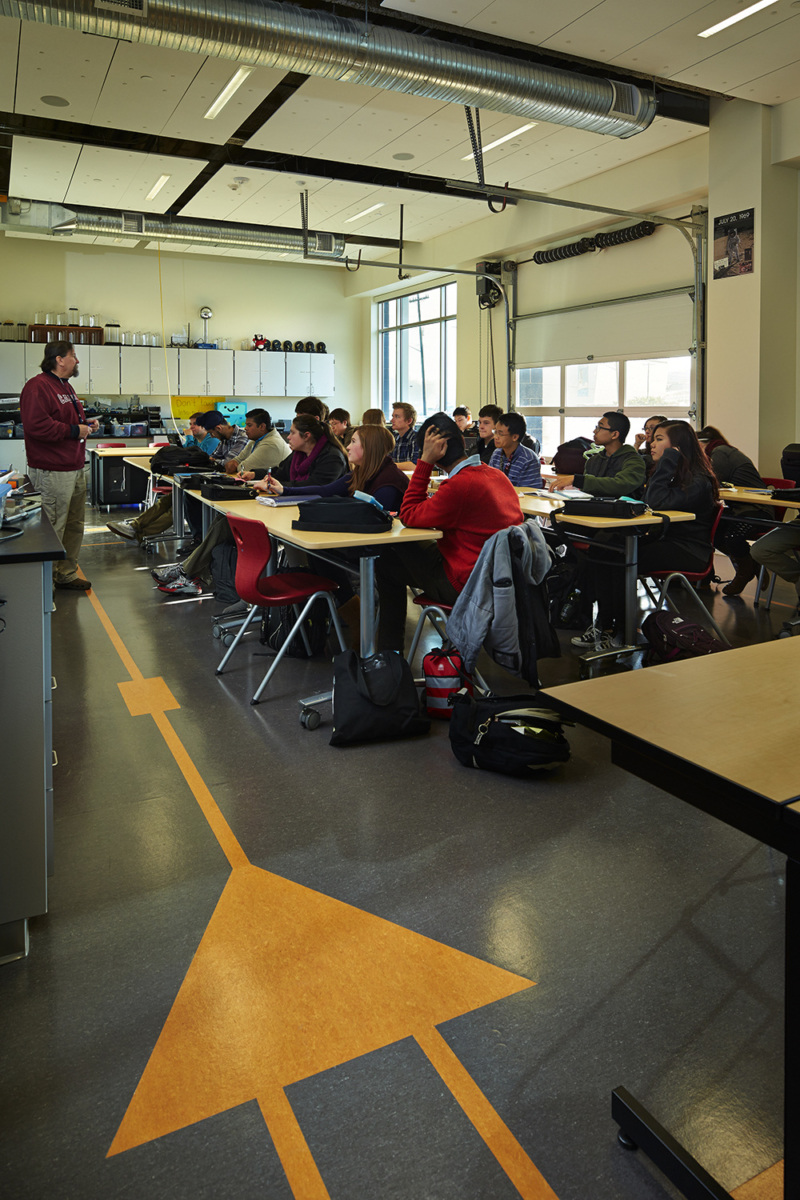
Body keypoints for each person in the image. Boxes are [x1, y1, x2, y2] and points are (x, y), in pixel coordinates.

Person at [374, 413, 524, 652]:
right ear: (463, 442)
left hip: (465, 584)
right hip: (500, 580)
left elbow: (409, 514)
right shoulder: (496, 476)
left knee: (386, 562)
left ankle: (388, 653)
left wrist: (424, 462)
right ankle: (388, 653)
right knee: (403, 549)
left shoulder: (460, 485)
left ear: (437, 451)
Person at [153, 416, 348, 594]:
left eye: (293, 433)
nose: (288, 437)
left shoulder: (331, 457)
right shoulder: (298, 454)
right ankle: (189, 571)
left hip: (311, 518)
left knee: (231, 523)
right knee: (227, 519)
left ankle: (188, 571)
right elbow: (280, 471)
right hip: (289, 509)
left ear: (307, 436)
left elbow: (316, 488)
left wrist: (279, 487)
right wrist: (257, 474)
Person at [572, 420, 718, 649]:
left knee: (620, 558)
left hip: (687, 550)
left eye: (659, 440)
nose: (651, 443)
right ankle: (604, 624)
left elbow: (655, 501)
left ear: (678, 447)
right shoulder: (676, 474)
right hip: (665, 539)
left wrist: (668, 460)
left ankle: (621, 631)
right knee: (603, 547)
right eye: (653, 438)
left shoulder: (698, 480)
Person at [20, 340, 99, 590]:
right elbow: (37, 426)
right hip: (52, 470)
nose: (77, 361)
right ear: (59, 359)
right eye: (73, 356)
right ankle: (45, 586)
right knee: (53, 527)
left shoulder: (66, 386)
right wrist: (76, 429)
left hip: (74, 467)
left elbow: (68, 421)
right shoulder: (37, 387)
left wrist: (86, 426)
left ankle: (65, 573)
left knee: (75, 525)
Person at [106, 410, 220, 544]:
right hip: (190, 482)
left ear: (204, 426)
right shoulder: (197, 440)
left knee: (176, 508)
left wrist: (188, 438)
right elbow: (185, 455)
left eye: (195, 424)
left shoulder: (212, 440)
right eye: (190, 424)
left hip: (203, 485)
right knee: (165, 501)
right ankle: (134, 527)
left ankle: (139, 536)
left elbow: (197, 456)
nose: (191, 428)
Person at [697, 424, 771, 595]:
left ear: (702, 444)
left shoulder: (720, 452)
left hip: (757, 509)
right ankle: (751, 563)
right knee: (711, 530)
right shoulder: (719, 450)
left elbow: (711, 481)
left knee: (732, 536)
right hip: (740, 509)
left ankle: (744, 573)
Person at [549, 411, 646, 498]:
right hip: (594, 512)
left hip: (623, 515)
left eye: (599, 427)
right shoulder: (593, 460)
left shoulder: (634, 461)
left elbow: (621, 485)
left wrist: (579, 480)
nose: (594, 431)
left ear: (614, 434)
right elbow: (586, 493)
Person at [222, 408, 290, 476]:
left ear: (262, 427)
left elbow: (243, 469)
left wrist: (237, 464)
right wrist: (236, 463)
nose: (245, 428)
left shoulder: (271, 444)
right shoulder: (255, 440)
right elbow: (233, 463)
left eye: (249, 425)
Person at [488, 411, 543, 487]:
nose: (495, 437)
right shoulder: (496, 453)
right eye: (495, 432)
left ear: (515, 437)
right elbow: (490, 482)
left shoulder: (529, 459)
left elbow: (530, 492)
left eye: (500, 434)